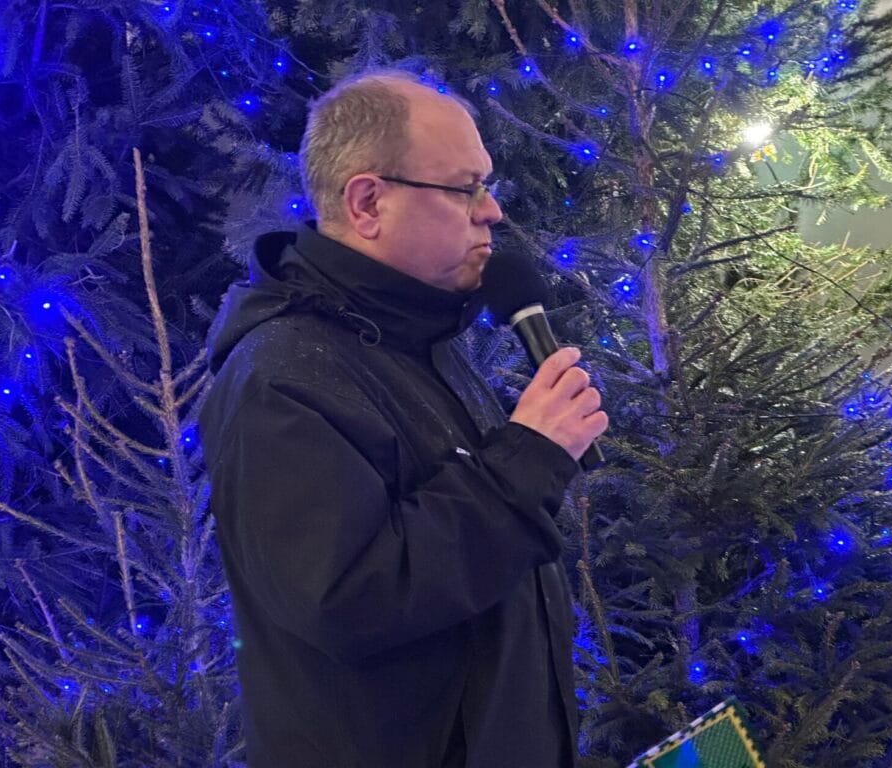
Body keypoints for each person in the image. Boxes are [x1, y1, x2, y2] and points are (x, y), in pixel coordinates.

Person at [198, 68, 608, 768]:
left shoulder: (422, 342)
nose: (491, 211)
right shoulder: (281, 377)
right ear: (367, 203)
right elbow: (351, 599)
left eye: (487, 186)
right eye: (465, 188)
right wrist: (527, 460)